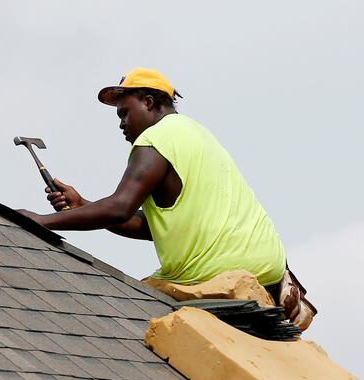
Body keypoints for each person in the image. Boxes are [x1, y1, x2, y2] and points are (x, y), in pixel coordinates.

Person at [19, 67, 315, 330]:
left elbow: (120, 208)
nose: (121, 123)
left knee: (132, 310)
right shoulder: (196, 133)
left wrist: (41, 221)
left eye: (125, 112)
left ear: (148, 102)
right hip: (269, 268)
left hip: (219, 271)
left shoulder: (155, 140)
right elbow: (152, 227)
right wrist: (83, 205)